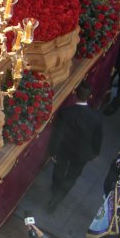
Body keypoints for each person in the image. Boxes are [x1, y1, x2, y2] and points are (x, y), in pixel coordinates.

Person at [45, 82, 102, 211]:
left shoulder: (66, 113)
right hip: (82, 153)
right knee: (72, 176)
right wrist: (95, 153)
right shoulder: (96, 116)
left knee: (59, 171)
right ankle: (57, 198)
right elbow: (97, 137)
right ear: (90, 96)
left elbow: (57, 134)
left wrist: (52, 151)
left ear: (75, 94)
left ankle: (55, 189)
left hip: (64, 150)